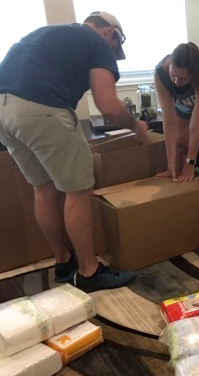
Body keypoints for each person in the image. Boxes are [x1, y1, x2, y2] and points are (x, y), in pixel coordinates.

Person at [0, 12, 149, 293]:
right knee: (79, 190)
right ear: (111, 34)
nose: (113, 55)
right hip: (40, 109)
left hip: (2, 109)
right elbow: (108, 105)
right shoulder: (98, 43)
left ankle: (63, 262)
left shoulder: (50, 33)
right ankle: (90, 272)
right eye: (116, 50)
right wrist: (136, 125)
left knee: (43, 189)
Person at [154, 42, 199, 180]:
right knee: (182, 144)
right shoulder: (160, 73)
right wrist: (170, 164)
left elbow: (196, 124)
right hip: (185, 103)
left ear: (193, 74)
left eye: (182, 78)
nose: (176, 81)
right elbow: (169, 121)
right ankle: (184, 185)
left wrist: (191, 163)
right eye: (173, 74)